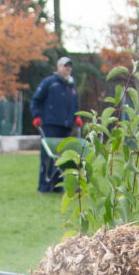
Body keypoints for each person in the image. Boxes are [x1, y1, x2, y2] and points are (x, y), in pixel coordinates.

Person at [30, 56, 80, 194]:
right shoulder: (50, 83)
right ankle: (44, 186)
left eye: (69, 66)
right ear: (58, 67)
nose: (67, 68)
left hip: (66, 126)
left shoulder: (71, 86)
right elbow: (35, 100)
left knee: (63, 157)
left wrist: (77, 117)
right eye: (65, 66)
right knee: (48, 156)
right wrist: (37, 116)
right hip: (50, 124)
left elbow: (75, 105)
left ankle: (58, 186)